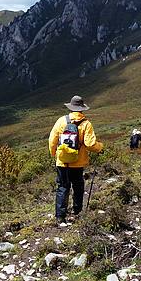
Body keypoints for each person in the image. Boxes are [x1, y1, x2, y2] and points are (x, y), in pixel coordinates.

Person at [48, 95, 103, 226]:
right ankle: (77, 212)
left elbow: (52, 140)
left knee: (62, 187)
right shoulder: (86, 124)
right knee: (78, 186)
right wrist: (100, 148)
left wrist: (55, 154)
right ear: (82, 109)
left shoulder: (61, 121)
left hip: (62, 161)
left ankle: (60, 217)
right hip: (78, 163)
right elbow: (90, 144)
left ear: (71, 108)